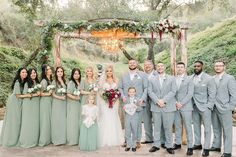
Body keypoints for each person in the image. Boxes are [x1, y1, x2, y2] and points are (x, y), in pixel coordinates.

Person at [148, 62, 177, 154]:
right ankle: (156, 145)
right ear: (156, 68)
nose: (160, 67)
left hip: (168, 106)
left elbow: (173, 91)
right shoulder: (152, 79)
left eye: (161, 66)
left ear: (164, 67)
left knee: (168, 127)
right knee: (156, 127)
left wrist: (163, 101)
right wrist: (157, 101)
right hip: (156, 107)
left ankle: (169, 145)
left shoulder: (172, 78)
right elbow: (150, 91)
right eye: (158, 66)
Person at [118, 59, 148, 149]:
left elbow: (146, 88)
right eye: (130, 63)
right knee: (127, 124)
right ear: (128, 64)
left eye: (133, 63)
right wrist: (123, 96)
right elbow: (120, 87)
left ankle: (137, 141)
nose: (132, 64)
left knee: (138, 123)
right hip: (127, 103)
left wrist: (142, 99)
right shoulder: (124, 75)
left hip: (138, 103)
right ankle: (127, 141)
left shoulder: (142, 75)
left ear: (137, 64)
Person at [210, 60, 236, 157]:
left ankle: (227, 152)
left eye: (220, 66)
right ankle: (216, 145)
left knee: (227, 130)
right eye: (216, 66)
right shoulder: (212, 78)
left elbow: (234, 95)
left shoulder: (230, 78)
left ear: (224, 67)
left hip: (225, 108)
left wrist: (230, 107)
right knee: (216, 128)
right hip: (214, 108)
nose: (217, 67)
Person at [191, 61, 216, 157]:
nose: (196, 67)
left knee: (207, 128)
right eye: (195, 66)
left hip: (205, 107)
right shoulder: (191, 78)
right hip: (194, 106)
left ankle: (206, 148)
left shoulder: (209, 78)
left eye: (198, 66)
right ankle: (197, 144)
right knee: (196, 126)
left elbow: (212, 94)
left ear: (202, 67)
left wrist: (209, 106)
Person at [0, 68, 28, 147]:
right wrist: (28, 95)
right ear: (19, 73)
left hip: (19, 102)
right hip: (14, 102)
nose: (25, 73)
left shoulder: (24, 82)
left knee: (18, 120)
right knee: (13, 121)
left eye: (25, 72)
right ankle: (10, 139)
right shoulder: (17, 82)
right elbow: (18, 95)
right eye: (23, 72)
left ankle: (16, 137)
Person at [98, 65, 124, 147]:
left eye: (110, 71)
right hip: (105, 103)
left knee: (113, 117)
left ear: (113, 72)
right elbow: (100, 91)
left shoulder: (116, 80)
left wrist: (115, 99)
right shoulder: (102, 80)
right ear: (105, 72)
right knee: (106, 117)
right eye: (107, 71)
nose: (109, 72)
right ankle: (104, 139)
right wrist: (105, 98)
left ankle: (115, 138)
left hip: (114, 103)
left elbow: (119, 91)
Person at [173, 62, 194, 155]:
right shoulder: (173, 79)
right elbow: (172, 92)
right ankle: (177, 143)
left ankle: (190, 147)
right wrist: (175, 102)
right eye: (178, 67)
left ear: (185, 69)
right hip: (175, 106)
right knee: (177, 126)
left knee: (188, 126)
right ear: (176, 69)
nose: (180, 69)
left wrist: (181, 103)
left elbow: (190, 93)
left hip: (186, 106)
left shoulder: (189, 79)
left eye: (181, 67)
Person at [19, 68, 40, 148]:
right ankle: (27, 140)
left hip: (36, 104)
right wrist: (35, 94)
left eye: (34, 73)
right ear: (29, 74)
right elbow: (25, 94)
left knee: (34, 122)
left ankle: (34, 140)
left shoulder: (37, 82)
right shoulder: (27, 83)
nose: (33, 74)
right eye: (31, 73)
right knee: (28, 122)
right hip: (28, 104)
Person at [123, 87, 142, 152]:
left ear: (135, 92)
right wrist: (125, 107)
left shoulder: (137, 99)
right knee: (127, 131)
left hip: (135, 117)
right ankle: (128, 145)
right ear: (128, 92)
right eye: (130, 92)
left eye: (133, 92)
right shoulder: (126, 99)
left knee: (135, 131)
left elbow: (140, 108)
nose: (132, 93)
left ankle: (134, 145)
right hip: (128, 117)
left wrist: (136, 107)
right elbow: (123, 106)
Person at [51, 67, 67, 145]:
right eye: (58, 71)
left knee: (62, 120)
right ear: (56, 73)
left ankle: (62, 139)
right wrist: (60, 97)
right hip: (57, 102)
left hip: (64, 103)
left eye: (61, 71)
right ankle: (56, 139)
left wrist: (62, 82)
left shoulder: (64, 81)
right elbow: (53, 94)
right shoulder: (54, 82)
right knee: (57, 120)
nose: (60, 73)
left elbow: (66, 90)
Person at [66, 68, 82, 145]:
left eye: (78, 74)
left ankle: (79, 139)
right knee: (73, 122)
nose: (77, 75)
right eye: (75, 73)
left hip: (79, 104)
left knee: (79, 121)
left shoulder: (80, 82)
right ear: (72, 74)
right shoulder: (71, 83)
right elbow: (68, 94)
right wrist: (76, 98)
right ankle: (73, 139)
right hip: (73, 104)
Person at [39, 65, 53, 146]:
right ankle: (43, 140)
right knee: (45, 120)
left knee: (48, 120)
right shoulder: (44, 81)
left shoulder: (50, 80)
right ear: (45, 71)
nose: (50, 70)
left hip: (49, 101)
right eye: (48, 69)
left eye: (50, 68)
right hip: (45, 102)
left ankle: (48, 138)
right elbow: (40, 93)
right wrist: (48, 94)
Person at [142, 60, 155, 144]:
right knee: (146, 120)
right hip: (145, 100)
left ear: (153, 65)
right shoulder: (142, 75)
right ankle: (149, 138)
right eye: (145, 65)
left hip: (155, 100)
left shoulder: (158, 74)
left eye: (149, 64)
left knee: (157, 121)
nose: (147, 66)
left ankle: (159, 139)